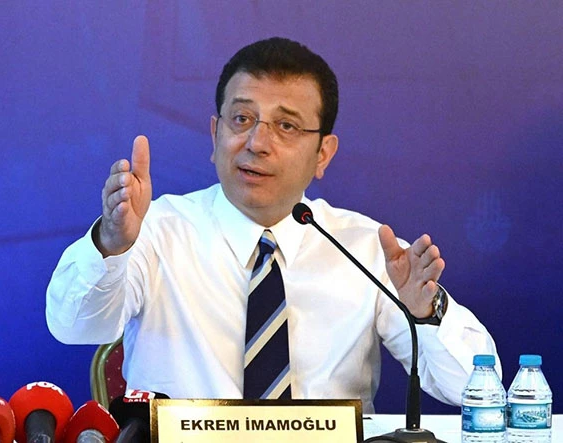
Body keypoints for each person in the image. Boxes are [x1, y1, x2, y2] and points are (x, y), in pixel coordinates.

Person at [46, 37, 499, 412]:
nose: (257, 143)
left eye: (286, 126)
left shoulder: (365, 248)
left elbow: (477, 390)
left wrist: (425, 314)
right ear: (215, 134)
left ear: (323, 154)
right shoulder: (157, 229)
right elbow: (74, 326)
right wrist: (112, 245)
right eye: (242, 119)